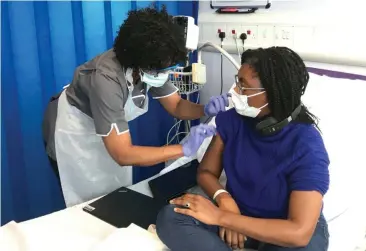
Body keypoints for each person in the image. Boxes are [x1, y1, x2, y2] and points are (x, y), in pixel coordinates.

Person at [42, 5, 228, 207]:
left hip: (110, 134)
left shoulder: (153, 64)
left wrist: (205, 109)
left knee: (114, 195)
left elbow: (176, 106)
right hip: (76, 134)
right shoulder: (106, 79)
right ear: (143, 64)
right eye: (165, 68)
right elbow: (123, 154)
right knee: (86, 204)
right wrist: (183, 149)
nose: (167, 73)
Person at [156, 47, 331, 251]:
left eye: (243, 86)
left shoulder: (306, 144)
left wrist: (224, 218)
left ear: (272, 93)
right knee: (171, 217)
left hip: (285, 229)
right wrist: (224, 199)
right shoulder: (232, 120)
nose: (233, 92)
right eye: (237, 80)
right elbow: (206, 172)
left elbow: (299, 232)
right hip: (239, 213)